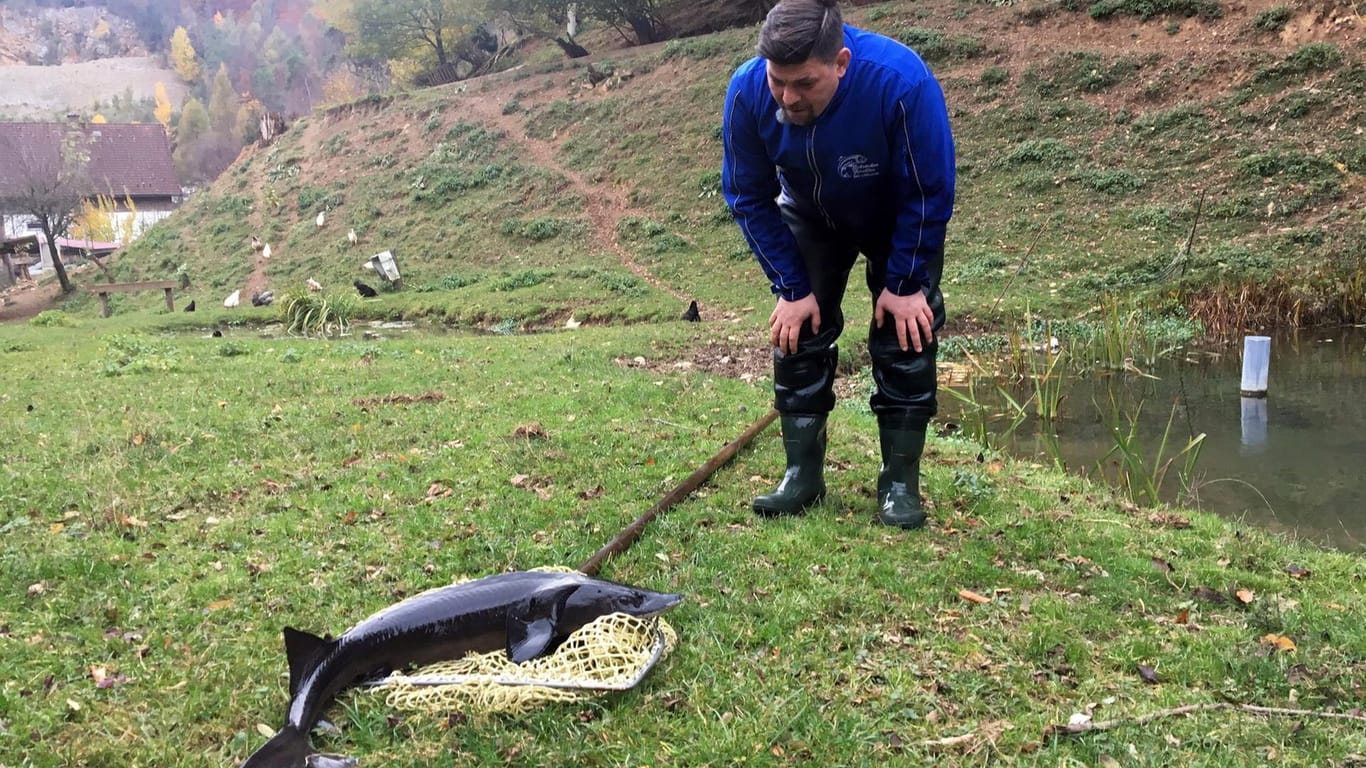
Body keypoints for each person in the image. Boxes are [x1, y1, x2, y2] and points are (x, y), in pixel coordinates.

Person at [722, 0, 956, 528]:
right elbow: (746, 195)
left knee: (906, 334)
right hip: (808, 213)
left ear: (842, 62)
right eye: (779, 80)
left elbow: (930, 188)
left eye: (804, 83)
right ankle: (802, 476)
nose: (787, 96)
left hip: (895, 216)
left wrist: (904, 281)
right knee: (798, 330)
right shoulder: (747, 89)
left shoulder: (900, 82)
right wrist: (790, 286)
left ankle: (899, 483)